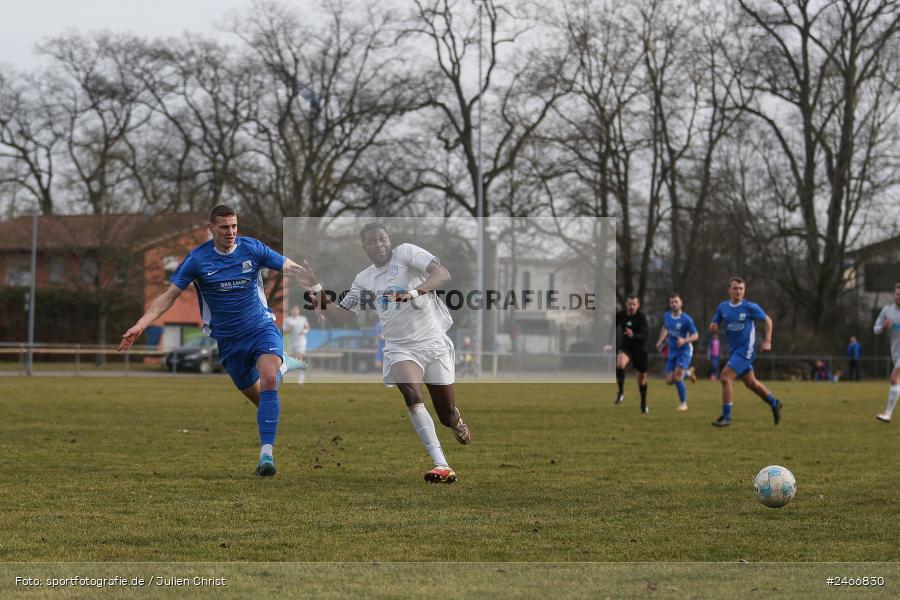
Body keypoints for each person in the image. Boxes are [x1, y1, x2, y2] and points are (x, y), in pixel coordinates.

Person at [117, 205, 308, 477]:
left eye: (234, 226)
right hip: (228, 341)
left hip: (260, 329)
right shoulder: (197, 260)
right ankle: (283, 367)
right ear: (211, 229)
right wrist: (140, 324)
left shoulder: (252, 249)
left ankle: (267, 456)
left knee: (268, 381)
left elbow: (287, 265)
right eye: (224, 227)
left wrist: (309, 280)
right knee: (260, 398)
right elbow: (168, 297)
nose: (231, 232)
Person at [295, 223, 471, 484]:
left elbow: (441, 274)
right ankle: (441, 464)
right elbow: (341, 316)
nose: (378, 245)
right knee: (412, 395)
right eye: (371, 241)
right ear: (364, 246)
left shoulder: (406, 253)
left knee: (445, 414)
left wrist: (412, 293)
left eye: (382, 239)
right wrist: (315, 286)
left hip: (433, 344)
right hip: (400, 348)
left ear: (389, 240)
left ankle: (456, 421)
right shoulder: (364, 279)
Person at [709, 277, 783, 427]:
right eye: (735, 288)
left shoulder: (750, 307)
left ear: (744, 291)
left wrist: (767, 341)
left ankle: (726, 417)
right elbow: (715, 320)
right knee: (751, 383)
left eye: (741, 289)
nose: (738, 291)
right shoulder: (723, 307)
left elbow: (768, 320)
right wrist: (714, 325)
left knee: (725, 377)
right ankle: (775, 403)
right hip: (734, 351)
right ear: (729, 290)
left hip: (746, 351)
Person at [655, 293, 699, 411]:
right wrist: (660, 341)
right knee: (669, 381)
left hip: (684, 351)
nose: (673, 304)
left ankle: (683, 403)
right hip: (672, 351)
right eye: (671, 302)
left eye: (676, 302)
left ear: (681, 303)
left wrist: (685, 340)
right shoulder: (666, 316)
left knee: (678, 377)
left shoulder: (687, 319)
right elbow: (665, 328)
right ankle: (688, 373)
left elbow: (695, 335)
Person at [611, 294, 650, 413]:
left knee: (642, 379)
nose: (631, 306)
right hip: (626, 348)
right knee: (620, 364)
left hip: (640, 350)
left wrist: (634, 335)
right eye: (629, 304)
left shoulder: (641, 317)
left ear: (638, 305)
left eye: (634, 304)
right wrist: (608, 343)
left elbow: (645, 335)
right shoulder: (621, 315)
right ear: (626, 304)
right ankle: (621, 392)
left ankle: (643, 404)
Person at [874, 282, 900, 423]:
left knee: (894, 378)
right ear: (894, 295)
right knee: (898, 382)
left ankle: (887, 413)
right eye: (898, 294)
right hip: (896, 353)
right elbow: (875, 329)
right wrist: (883, 328)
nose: (899, 296)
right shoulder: (887, 310)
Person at [284, 305, 310, 384]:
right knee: (292, 358)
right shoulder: (288, 320)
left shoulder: (302, 319)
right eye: (293, 310)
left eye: (296, 310)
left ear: (298, 311)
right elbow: (284, 332)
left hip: (301, 340)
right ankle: (286, 374)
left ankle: (300, 377)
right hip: (292, 341)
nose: (295, 311)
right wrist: (289, 329)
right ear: (291, 311)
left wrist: (304, 332)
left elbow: (307, 327)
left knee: (299, 356)